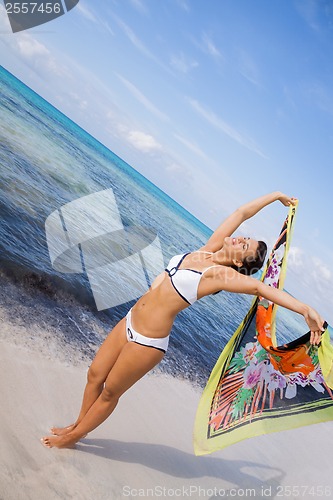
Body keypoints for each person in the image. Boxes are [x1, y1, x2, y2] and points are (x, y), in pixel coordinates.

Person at [41, 191, 325, 449]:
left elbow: (261, 289)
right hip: (130, 321)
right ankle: (78, 425)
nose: (239, 238)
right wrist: (275, 197)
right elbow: (240, 213)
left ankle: (73, 438)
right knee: (94, 375)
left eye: (244, 246)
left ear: (239, 264)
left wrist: (305, 310)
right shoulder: (208, 249)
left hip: (148, 342)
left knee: (109, 393)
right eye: (245, 238)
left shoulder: (220, 276)